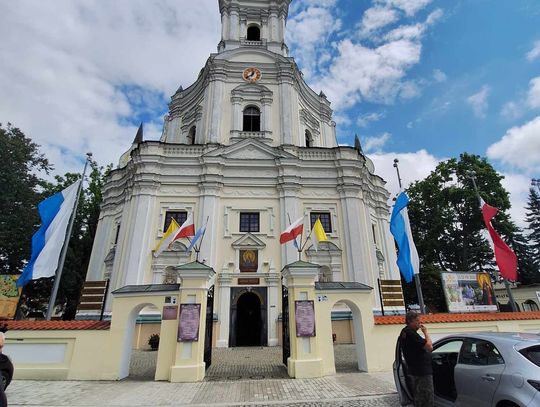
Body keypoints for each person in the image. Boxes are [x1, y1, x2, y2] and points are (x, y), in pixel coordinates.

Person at [400, 311, 433, 407]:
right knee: (426, 399)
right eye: (417, 320)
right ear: (410, 321)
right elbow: (429, 347)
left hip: (414, 371)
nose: (420, 322)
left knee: (419, 398)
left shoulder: (404, 331)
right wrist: (426, 332)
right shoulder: (411, 334)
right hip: (422, 372)